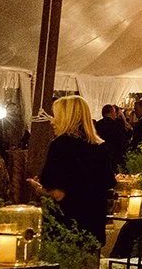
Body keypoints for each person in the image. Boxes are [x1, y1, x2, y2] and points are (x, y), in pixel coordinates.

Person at [39, 95, 113, 242]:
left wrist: (38, 189)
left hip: (67, 227)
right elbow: (109, 183)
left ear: (67, 118)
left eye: (56, 116)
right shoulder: (100, 147)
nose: (52, 121)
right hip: (93, 226)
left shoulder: (61, 145)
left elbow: (57, 193)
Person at [96, 103, 130, 170]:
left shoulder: (98, 124)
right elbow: (123, 140)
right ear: (111, 113)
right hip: (116, 156)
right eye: (114, 112)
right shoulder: (117, 124)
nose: (116, 115)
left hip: (101, 156)